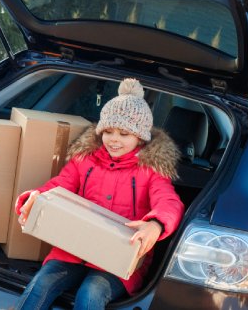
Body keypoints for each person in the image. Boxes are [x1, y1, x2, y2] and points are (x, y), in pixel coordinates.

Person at [14, 78, 184, 310]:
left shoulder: (151, 171)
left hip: (118, 262)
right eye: (109, 131)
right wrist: (35, 199)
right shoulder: (85, 160)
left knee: (91, 293)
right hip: (72, 249)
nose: (114, 139)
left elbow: (169, 202)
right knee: (40, 285)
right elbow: (59, 185)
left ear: (140, 137)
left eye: (124, 134)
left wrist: (155, 225)